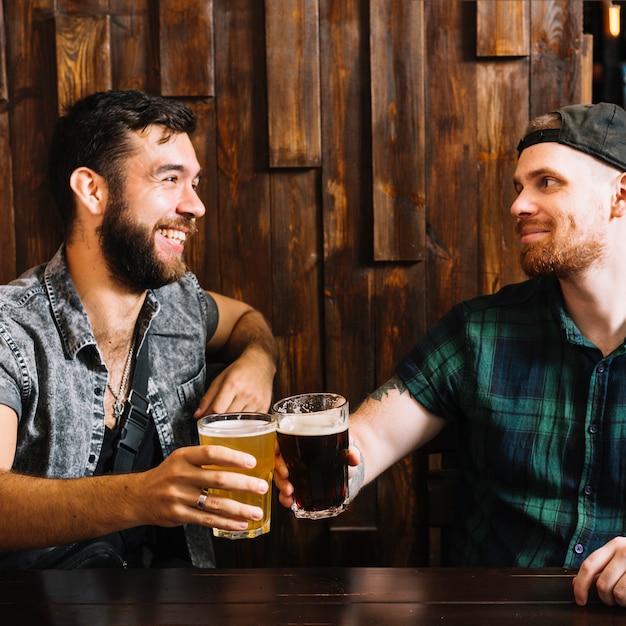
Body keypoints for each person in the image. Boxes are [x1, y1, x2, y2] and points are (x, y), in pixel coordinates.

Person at [275, 101, 626, 607]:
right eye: (518, 187)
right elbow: (368, 440)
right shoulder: (479, 331)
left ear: (619, 198)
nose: (518, 205)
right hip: (490, 613)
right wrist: (334, 471)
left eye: (546, 182)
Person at [0, 89, 278, 569]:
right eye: (170, 179)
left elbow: (247, 322)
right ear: (92, 191)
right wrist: (142, 496)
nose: (196, 206)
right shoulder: (11, 331)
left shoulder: (180, 304)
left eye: (194, 182)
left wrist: (259, 361)